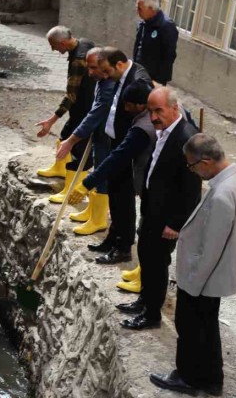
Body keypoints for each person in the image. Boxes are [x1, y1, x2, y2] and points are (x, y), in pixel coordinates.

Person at [150, 134, 236, 396]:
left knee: (190, 327)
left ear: (207, 161)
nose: (193, 172)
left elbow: (211, 250)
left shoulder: (222, 196)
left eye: (192, 166)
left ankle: (189, 378)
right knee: (208, 327)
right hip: (223, 268)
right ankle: (212, 378)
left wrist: (191, 284)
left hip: (205, 276)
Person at [121, 87, 201, 330]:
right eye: (150, 111)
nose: (154, 117)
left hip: (166, 216)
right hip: (152, 209)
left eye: (159, 111)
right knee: (146, 255)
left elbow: (191, 189)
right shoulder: (166, 131)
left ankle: (152, 314)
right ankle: (145, 301)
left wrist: (176, 223)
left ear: (175, 108)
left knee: (157, 263)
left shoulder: (186, 137)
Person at [68, 82, 155, 291]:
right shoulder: (142, 117)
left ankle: (145, 276)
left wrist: (88, 183)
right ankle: (127, 253)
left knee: (148, 230)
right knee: (123, 207)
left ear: (142, 105)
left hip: (148, 181)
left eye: (129, 105)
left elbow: (119, 156)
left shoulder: (143, 128)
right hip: (138, 174)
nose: (125, 109)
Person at [87, 47, 152, 265]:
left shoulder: (139, 80)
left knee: (123, 199)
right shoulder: (121, 76)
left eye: (107, 71)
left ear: (120, 64)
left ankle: (123, 247)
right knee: (114, 196)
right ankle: (113, 238)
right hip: (116, 140)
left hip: (128, 148)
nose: (105, 77)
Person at [54, 47, 116, 235]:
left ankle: (99, 219)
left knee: (102, 173)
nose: (89, 72)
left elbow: (96, 113)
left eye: (93, 68)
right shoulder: (101, 80)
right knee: (97, 166)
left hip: (108, 135)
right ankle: (92, 211)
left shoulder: (111, 85)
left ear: (105, 65)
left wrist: (71, 140)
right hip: (99, 132)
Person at [35, 26, 96, 205]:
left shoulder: (78, 61)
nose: (54, 50)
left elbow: (71, 96)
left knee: (78, 149)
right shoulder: (85, 42)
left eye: (54, 46)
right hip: (80, 107)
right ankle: (59, 168)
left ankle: (71, 191)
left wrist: (51, 120)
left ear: (63, 42)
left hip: (86, 108)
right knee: (65, 135)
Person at [133, 0, 179, 86]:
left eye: (140, 9)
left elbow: (169, 55)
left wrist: (158, 80)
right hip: (139, 72)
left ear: (150, 9)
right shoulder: (144, 23)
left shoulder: (166, 26)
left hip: (154, 78)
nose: (137, 12)